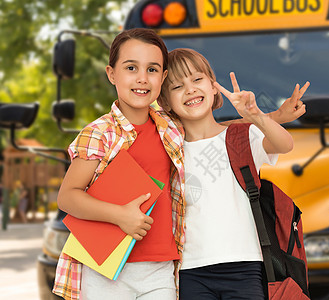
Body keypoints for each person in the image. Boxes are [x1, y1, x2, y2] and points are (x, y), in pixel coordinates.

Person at [53, 28, 307, 300]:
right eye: (130, 67)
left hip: (195, 267)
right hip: (142, 265)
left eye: (152, 70)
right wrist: (120, 215)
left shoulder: (182, 132)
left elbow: (236, 135)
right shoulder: (134, 134)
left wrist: (264, 116)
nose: (142, 78)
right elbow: (68, 196)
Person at [158, 48, 306, 299]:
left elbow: (284, 144)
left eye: (197, 80)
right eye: (176, 87)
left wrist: (256, 116)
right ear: (164, 103)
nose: (190, 89)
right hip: (190, 269)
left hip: (246, 265)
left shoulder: (240, 136)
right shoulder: (168, 150)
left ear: (214, 87)